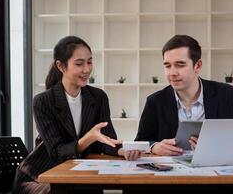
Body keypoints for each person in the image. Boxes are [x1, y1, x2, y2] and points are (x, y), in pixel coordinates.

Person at [13, 36, 141, 194]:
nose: (87, 69)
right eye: (79, 64)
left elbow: (106, 139)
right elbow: (57, 152)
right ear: (61, 66)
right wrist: (90, 137)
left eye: (90, 62)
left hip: (77, 173)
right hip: (40, 176)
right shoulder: (42, 101)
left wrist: (122, 151)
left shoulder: (98, 97)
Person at [135, 35, 233, 156]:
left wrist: (218, 146)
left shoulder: (227, 94)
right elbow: (140, 142)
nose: (172, 73)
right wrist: (154, 147)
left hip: (218, 169)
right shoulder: (155, 101)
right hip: (172, 172)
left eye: (180, 65)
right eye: (167, 66)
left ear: (198, 66)